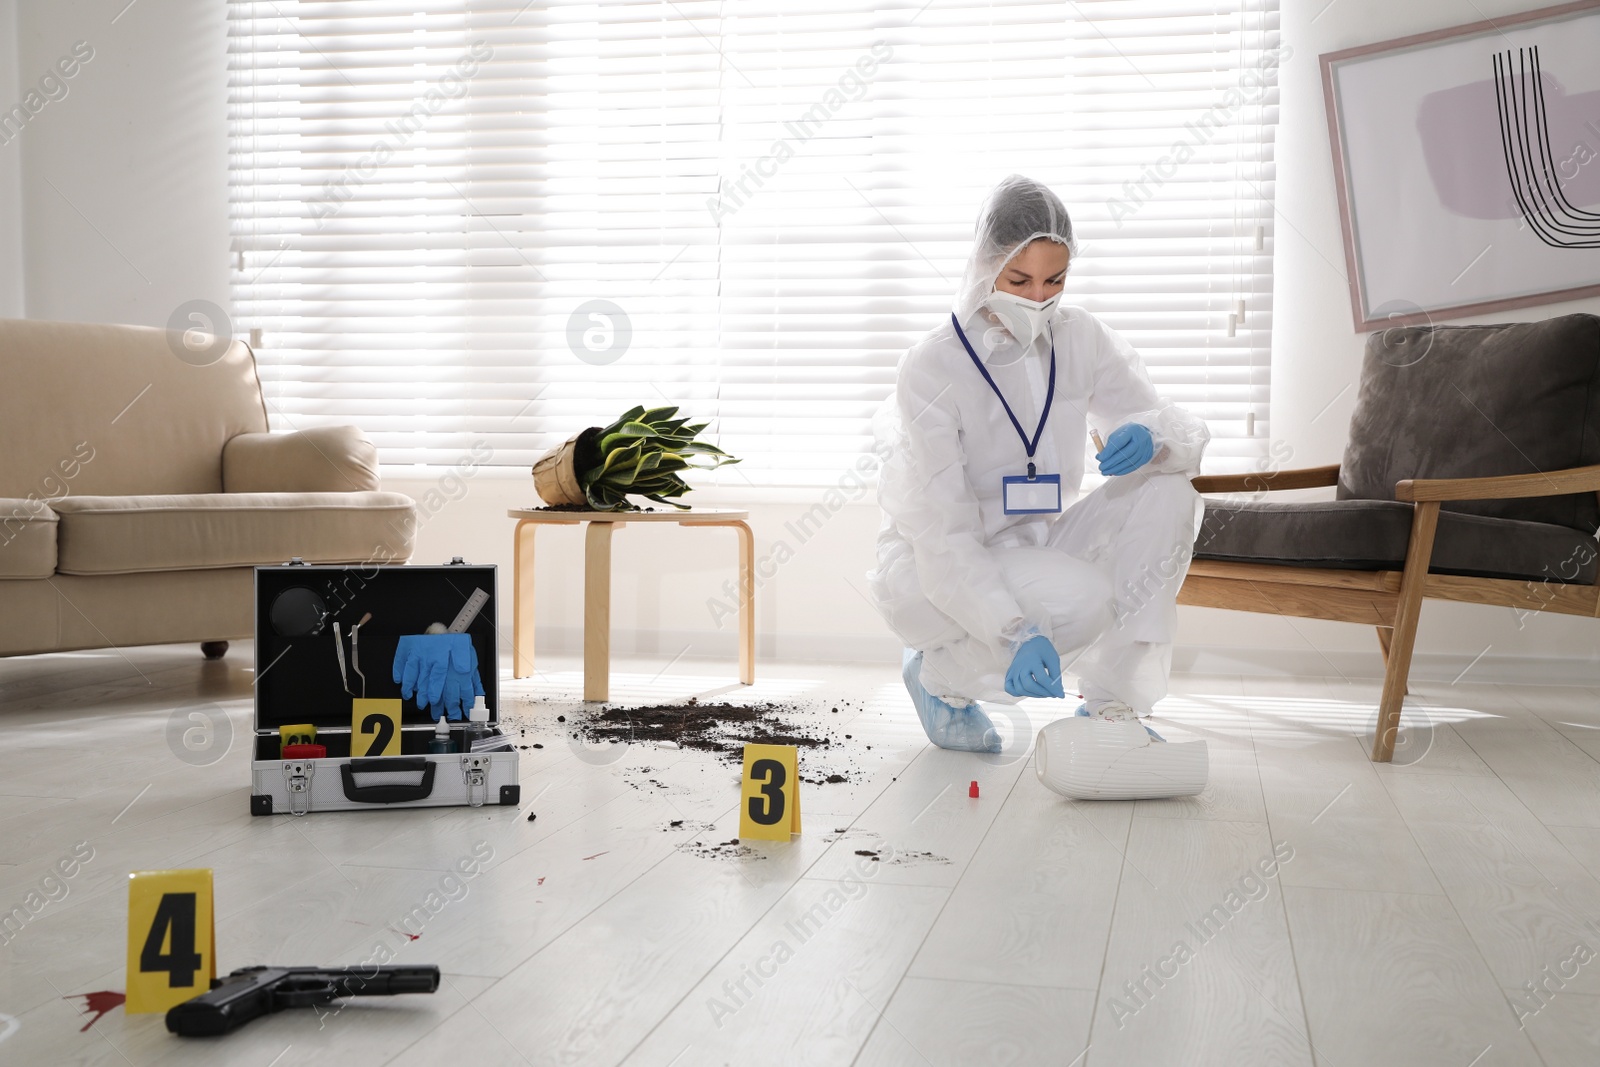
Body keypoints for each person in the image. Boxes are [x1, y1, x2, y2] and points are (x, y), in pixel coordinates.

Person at [867, 175, 1208, 753]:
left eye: (1055, 280)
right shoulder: (932, 365)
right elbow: (943, 531)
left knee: (1171, 487)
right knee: (1081, 597)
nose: (1037, 298)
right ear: (982, 263)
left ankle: (1112, 705)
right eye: (1019, 279)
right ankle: (939, 679)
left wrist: (1153, 438)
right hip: (938, 567)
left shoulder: (1080, 338)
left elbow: (1171, 425)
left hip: (1036, 546)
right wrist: (1014, 629)